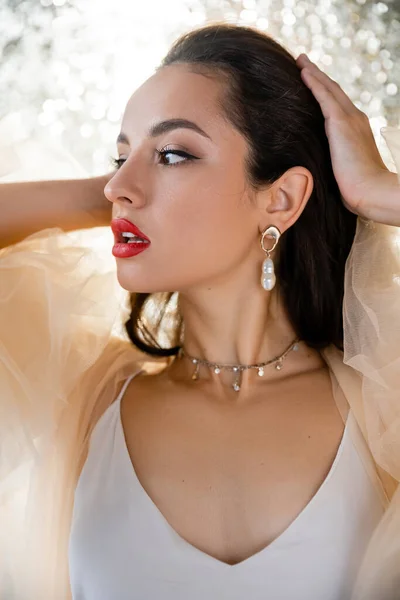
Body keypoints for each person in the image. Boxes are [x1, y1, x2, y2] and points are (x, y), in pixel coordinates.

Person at [1, 23, 399, 600]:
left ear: (281, 198)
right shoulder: (83, 399)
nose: (120, 185)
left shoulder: (381, 406)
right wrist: (117, 190)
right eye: (118, 157)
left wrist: (378, 191)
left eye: (172, 153)